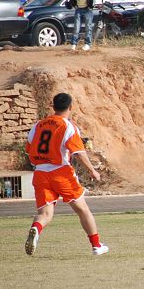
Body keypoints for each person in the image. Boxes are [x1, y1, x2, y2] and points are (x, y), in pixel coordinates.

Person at [24, 93, 108, 256]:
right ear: (70, 107)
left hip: (40, 172)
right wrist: (92, 170)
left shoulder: (38, 126)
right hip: (61, 172)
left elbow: (29, 149)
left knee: (45, 214)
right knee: (82, 209)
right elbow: (78, 153)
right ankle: (97, 246)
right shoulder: (68, 126)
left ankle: (36, 228)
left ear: (53, 106)